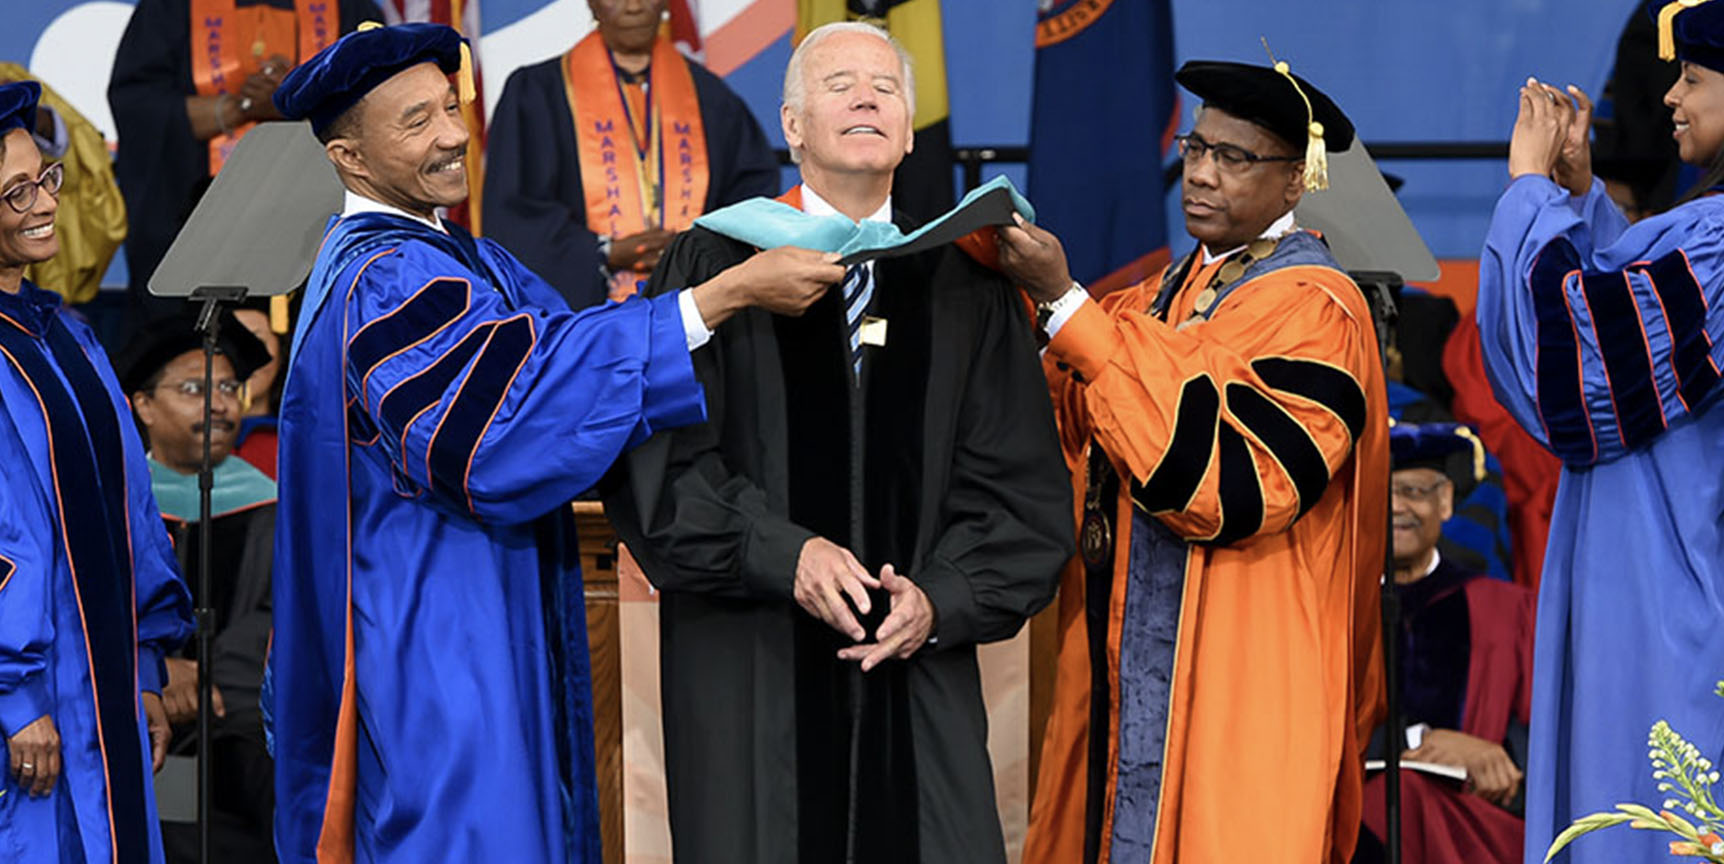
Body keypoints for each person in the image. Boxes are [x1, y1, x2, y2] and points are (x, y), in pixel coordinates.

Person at [265, 22, 835, 863]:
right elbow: (502, 430)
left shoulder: (460, 255)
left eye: (450, 107)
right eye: (415, 121)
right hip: (434, 640)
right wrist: (717, 300)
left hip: (474, 618)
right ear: (349, 159)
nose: (454, 134)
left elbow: (566, 352)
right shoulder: (386, 279)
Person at [603, 22, 1074, 864]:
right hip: (751, 676)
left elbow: (1022, 496)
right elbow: (660, 464)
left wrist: (941, 598)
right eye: (839, 83)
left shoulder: (965, 277)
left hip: (915, 679)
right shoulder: (717, 264)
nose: (866, 96)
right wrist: (785, 553)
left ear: (908, 125)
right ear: (791, 126)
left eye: (885, 87)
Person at [997, 58, 1389, 864]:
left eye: (1234, 158)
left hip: (1244, 678)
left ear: (1295, 183)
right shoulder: (1158, 298)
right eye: (1196, 147)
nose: (1201, 173)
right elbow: (1071, 419)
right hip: (1115, 666)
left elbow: (1227, 486)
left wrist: (1069, 307)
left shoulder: (1318, 309)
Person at [1476, 2, 1724, 861]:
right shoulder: (1708, 239)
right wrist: (1579, 200)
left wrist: (1527, 193)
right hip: (1653, 587)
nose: (1671, 98)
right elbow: (1645, 317)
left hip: (1674, 607)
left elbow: (1581, 382)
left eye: (1694, 78)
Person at [0, 80, 194, 864]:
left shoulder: (67, 335)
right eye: (15, 193)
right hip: (30, 703)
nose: (44, 202)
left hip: (103, 684)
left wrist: (145, 662)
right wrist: (15, 698)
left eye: (45, 178)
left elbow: (132, 509)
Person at [483, 0, 779, 310]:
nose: (634, 7)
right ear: (592, 5)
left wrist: (695, 250)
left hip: (698, 313)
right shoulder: (538, 95)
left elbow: (750, 201)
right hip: (584, 323)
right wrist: (604, 251)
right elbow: (514, 215)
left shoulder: (712, 99)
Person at [115, 310, 278, 863]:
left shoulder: (272, 504)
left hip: (243, 725)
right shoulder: (111, 504)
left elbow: (271, 617)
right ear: (142, 405)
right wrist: (157, 669)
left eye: (230, 387)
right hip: (135, 718)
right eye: (193, 388)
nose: (219, 404)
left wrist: (210, 677)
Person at [108, 0, 380, 325]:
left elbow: (376, 106)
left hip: (318, 222)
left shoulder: (351, 8)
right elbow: (138, 107)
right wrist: (240, 106)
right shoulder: (169, 9)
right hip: (195, 223)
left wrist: (295, 99)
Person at [1354, 421, 1535, 864]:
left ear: (1446, 502)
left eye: (1414, 492)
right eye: (1385, 493)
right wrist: (1426, 741)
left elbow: (1542, 727)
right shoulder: (1336, 611)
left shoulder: (1507, 609)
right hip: (1357, 819)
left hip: (1472, 825)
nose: (1397, 507)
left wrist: (1495, 755)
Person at [229, 307, 284, 478]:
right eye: (229, 343)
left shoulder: (300, 442)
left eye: (257, 341)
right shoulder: (183, 444)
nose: (245, 358)